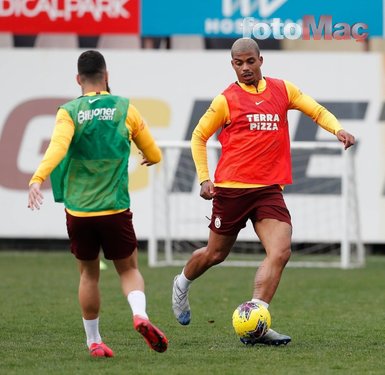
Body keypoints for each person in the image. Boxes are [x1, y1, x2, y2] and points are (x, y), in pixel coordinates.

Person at [172, 38, 355, 345]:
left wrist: (337, 128)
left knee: (281, 251)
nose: (245, 68)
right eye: (239, 63)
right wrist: (204, 178)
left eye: (250, 62)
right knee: (215, 254)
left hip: (269, 190)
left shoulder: (283, 90)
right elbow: (198, 136)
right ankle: (181, 283)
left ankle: (255, 320)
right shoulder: (226, 100)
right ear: (233, 65)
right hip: (232, 190)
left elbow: (316, 110)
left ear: (260, 60)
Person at [28, 50, 168, 357]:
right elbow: (155, 154)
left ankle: (94, 341)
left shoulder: (69, 111)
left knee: (89, 274)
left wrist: (38, 178)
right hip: (115, 208)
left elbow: (58, 147)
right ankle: (140, 315)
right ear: (106, 77)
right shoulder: (125, 108)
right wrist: (148, 156)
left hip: (79, 211)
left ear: (78, 79)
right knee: (128, 269)